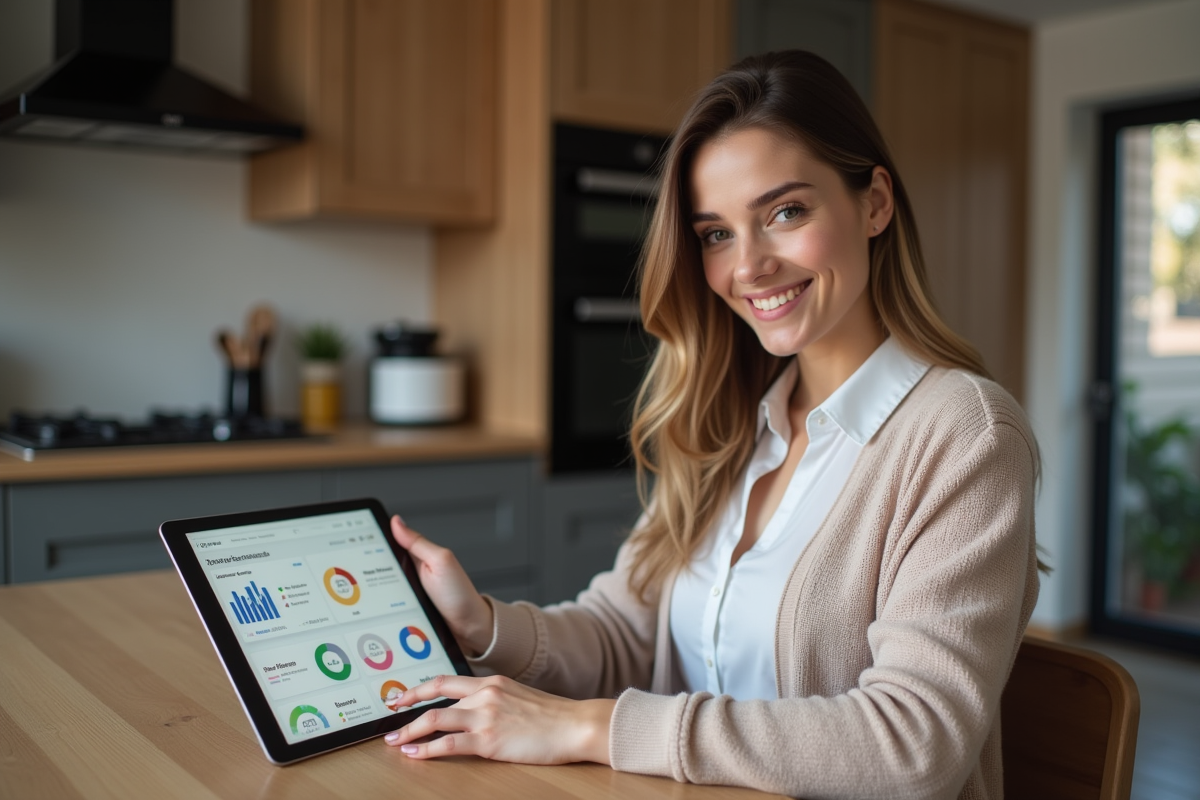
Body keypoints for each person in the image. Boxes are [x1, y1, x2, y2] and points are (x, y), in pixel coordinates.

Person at [381, 50, 1041, 800]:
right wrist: (482, 623)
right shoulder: (727, 420)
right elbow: (624, 631)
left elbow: (914, 744)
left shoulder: (965, 434)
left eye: (785, 212)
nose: (749, 266)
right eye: (716, 234)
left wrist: (587, 728)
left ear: (874, 203)